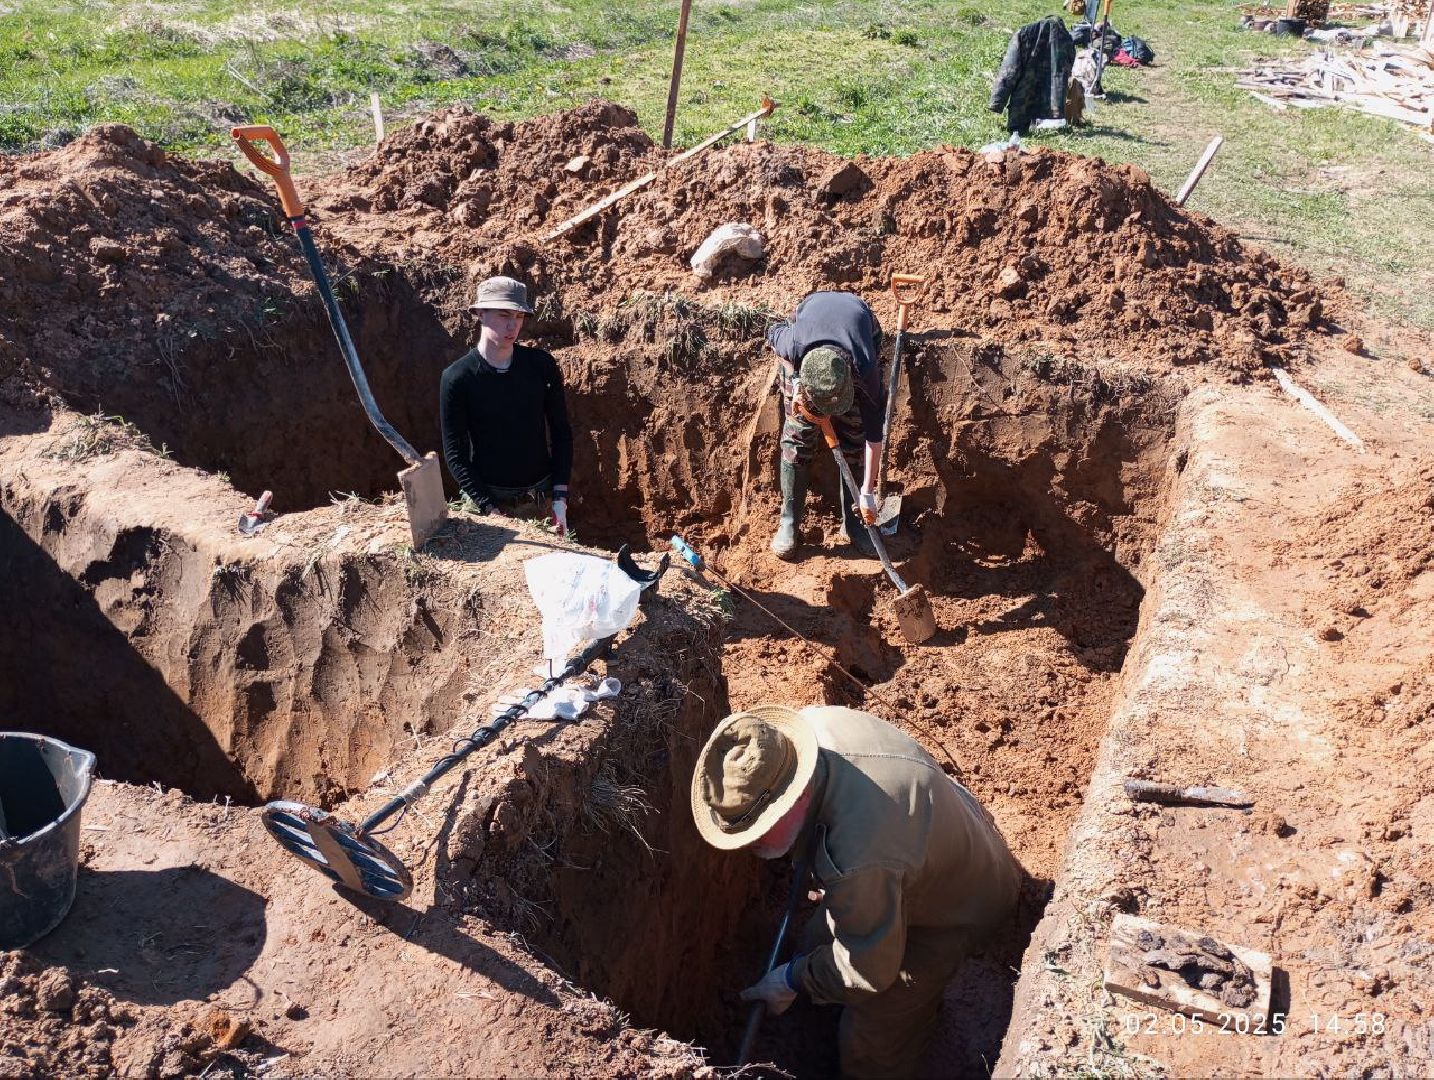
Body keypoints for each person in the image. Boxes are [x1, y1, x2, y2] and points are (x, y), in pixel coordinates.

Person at [692, 704, 1021, 1079]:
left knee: (870, 1043)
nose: (752, 846)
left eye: (759, 831)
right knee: (814, 942)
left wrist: (790, 980)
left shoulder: (856, 859)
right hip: (939, 832)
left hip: (959, 907)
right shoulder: (804, 733)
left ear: (795, 799)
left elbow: (870, 970)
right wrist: (803, 969)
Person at [440, 276, 573, 536]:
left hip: (541, 499)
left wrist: (559, 499)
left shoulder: (540, 366)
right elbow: (455, 454)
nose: (512, 326)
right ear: (479, 313)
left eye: (519, 316)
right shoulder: (458, 378)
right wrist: (488, 508)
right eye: (503, 315)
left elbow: (561, 432)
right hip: (488, 501)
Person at [765, 291, 885, 560]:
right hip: (806, 340)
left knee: (856, 432)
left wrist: (867, 491)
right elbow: (773, 333)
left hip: (858, 322)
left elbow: (874, 437)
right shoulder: (792, 343)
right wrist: (796, 380)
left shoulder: (864, 368)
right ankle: (789, 523)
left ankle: (854, 524)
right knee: (798, 436)